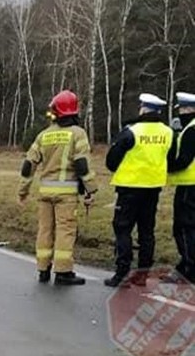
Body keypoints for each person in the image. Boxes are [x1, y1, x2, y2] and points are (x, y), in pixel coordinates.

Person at [17, 90, 97, 286]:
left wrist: (23, 191)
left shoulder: (44, 135)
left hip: (45, 193)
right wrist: (91, 189)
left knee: (44, 231)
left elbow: (28, 165)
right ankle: (63, 272)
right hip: (66, 195)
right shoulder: (78, 134)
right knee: (65, 231)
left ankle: (43, 269)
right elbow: (82, 165)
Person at [104, 93, 175, 287]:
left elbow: (111, 161)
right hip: (153, 187)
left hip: (129, 187)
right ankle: (143, 274)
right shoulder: (168, 132)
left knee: (122, 229)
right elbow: (170, 158)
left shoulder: (131, 131)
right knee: (146, 231)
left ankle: (122, 272)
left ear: (143, 108)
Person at [168, 91, 195, 282]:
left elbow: (184, 159)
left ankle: (188, 267)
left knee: (184, 227)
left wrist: (167, 166)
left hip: (189, 185)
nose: (180, 114)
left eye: (182, 109)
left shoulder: (191, 130)